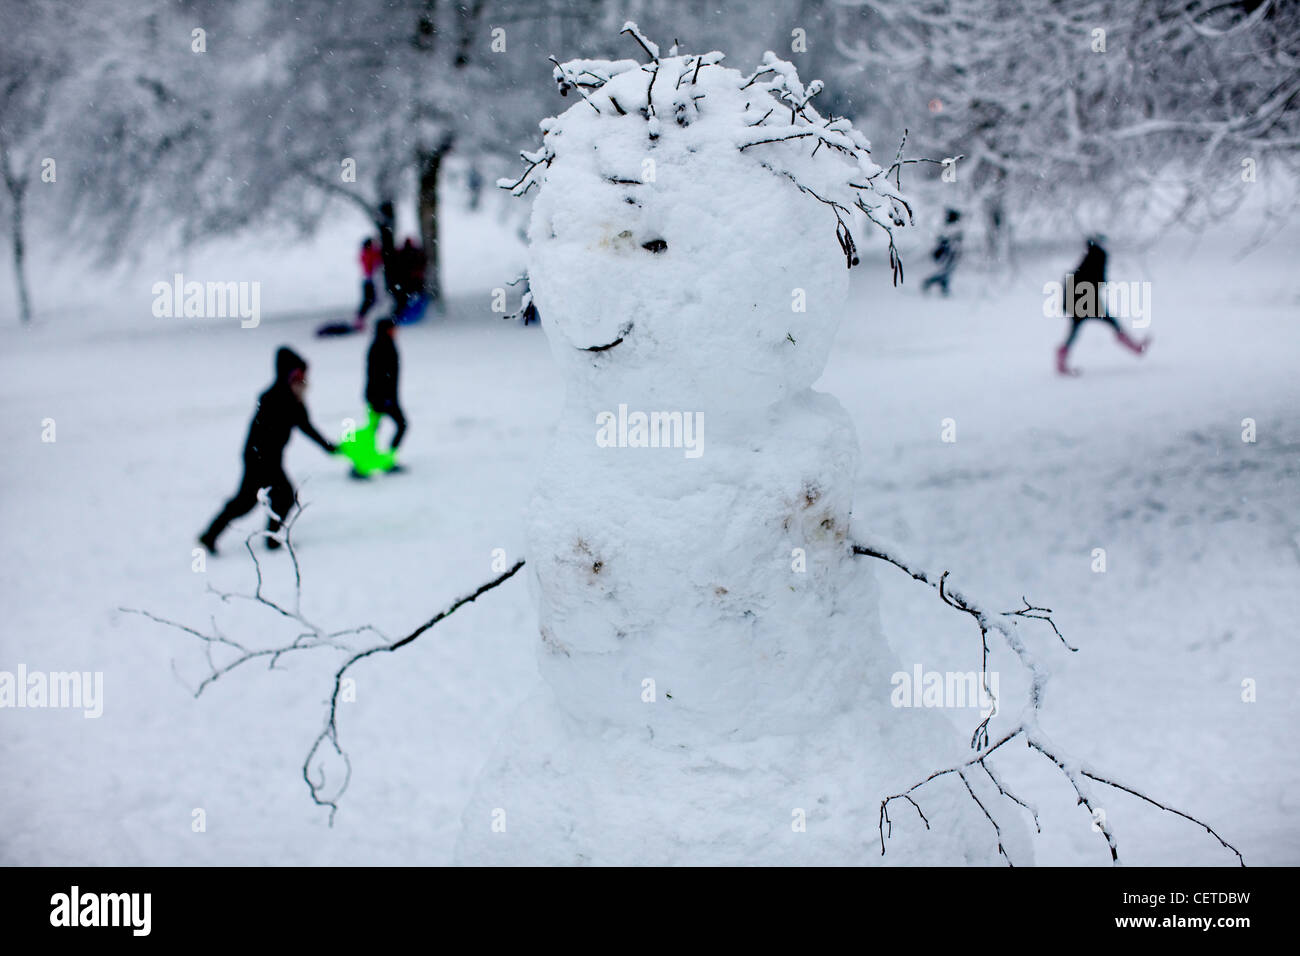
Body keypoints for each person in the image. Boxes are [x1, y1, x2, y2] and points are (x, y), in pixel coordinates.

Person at [199, 347, 336, 553]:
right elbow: (288, 425)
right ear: (287, 372)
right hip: (260, 457)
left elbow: (305, 425)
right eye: (299, 372)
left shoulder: (291, 395)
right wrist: (326, 446)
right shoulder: (275, 397)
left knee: (252, 501)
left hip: (267, 457)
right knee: (272, 498)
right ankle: (269, 540)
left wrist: (328, 446)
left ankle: (212, 536)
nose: (303, 377)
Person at [1055, 235, 1149, 375]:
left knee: (1074, 332)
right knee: (1112, 323)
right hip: (1086, 300)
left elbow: (1077, 278)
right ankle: (1136, 348)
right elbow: (1099, 278)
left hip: (1078, 300)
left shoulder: (1088, 257)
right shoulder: (1100, 255)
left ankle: (1061, 361)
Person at [365, 318, 406, 453]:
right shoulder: (383, 346)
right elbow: (378, 375)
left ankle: (362, 463)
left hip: (380, 396)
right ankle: (387, 459)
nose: (396, 331)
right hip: (381, 397)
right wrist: (385, 398)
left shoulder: (383, 344)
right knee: (400, 425)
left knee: (373, 430)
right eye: (393, 328)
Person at [921, 209, 963, 296]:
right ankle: (930, 282)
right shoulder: (953, 228)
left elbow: (942, 240)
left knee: (947, 271)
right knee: (945, 271)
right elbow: (948, 241)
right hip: (949, 254)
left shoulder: (948, 227)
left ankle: (943, 287)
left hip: (948, 253)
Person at [354, 237, 383, 329]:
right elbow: (377, 257)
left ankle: (360, 319)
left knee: (369, 301)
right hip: (370, 280)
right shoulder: (369, 254)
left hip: (368, 280)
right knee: (369, 301)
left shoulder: (364, 254)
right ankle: (360, 319)